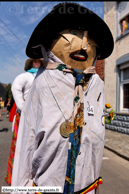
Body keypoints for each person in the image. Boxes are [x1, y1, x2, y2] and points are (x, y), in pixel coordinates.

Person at [11, 3, 114, 194]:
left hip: (87, 187)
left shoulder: (97, 84)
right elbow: (27, 141)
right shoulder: (42, 82)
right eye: (74, 32)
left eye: (90, 38)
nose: (84, 43)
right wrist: (20, 189)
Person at [5, 58, 44, 185]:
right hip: (24, 117)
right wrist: (23, 108)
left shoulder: (44, 76)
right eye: (35, 61)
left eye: (40, 61)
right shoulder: (25, 76)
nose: (37, 63)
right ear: (31, 63)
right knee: (20, 147)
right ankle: (16, 179)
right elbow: (15, 89)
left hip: (40, 118)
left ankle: (33, 179)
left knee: (38, 149)